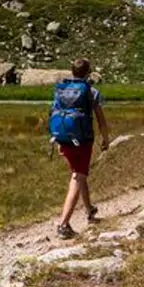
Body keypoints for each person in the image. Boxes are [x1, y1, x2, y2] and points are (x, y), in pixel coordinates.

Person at [53, 59, 110, 240]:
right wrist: (105, 138)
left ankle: (89, 210)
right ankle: (64, 224)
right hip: (83, 140)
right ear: (89, 72)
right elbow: (100, 119)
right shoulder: (91, 91)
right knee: (78, 176)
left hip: (63, 138)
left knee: (79, 173)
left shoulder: (62, 89)